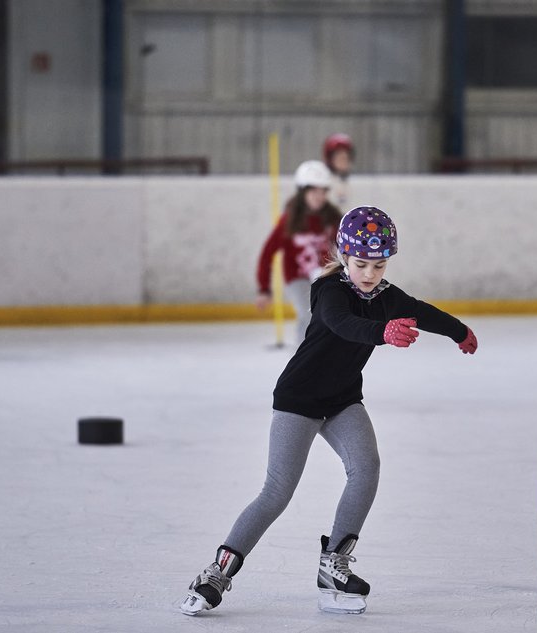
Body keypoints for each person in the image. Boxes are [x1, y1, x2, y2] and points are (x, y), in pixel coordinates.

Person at [182, 206, 478, 617]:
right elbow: (341, 323)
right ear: (343, 255)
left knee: (367, 468)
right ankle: (217, 571)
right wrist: (382, 332)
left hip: (341, 401)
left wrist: (458, 330)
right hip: (299, 400)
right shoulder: (329, 290)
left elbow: (421, 311)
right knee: (277, 492)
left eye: (379, 264)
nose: (370, 273)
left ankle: (332, 566)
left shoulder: (386, 296)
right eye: (361, 264)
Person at [256, 159, 343, 344]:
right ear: (303, 191)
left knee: (331, 316)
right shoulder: (289, 221)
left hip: (326, 275)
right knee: (308, 314)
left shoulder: (333, 218)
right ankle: (301, 362)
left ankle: (325, 358)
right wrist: (264, 288)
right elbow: (267, 252)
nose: (319, 196)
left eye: (323, 191)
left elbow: (346, 247)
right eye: (313, 191)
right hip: (297, 278)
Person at [322, 133, 354, 208]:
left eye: (346, 157)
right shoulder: (323, 184)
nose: (344, 160)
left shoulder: (351, 182)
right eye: (339, 157)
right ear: (330, 159)